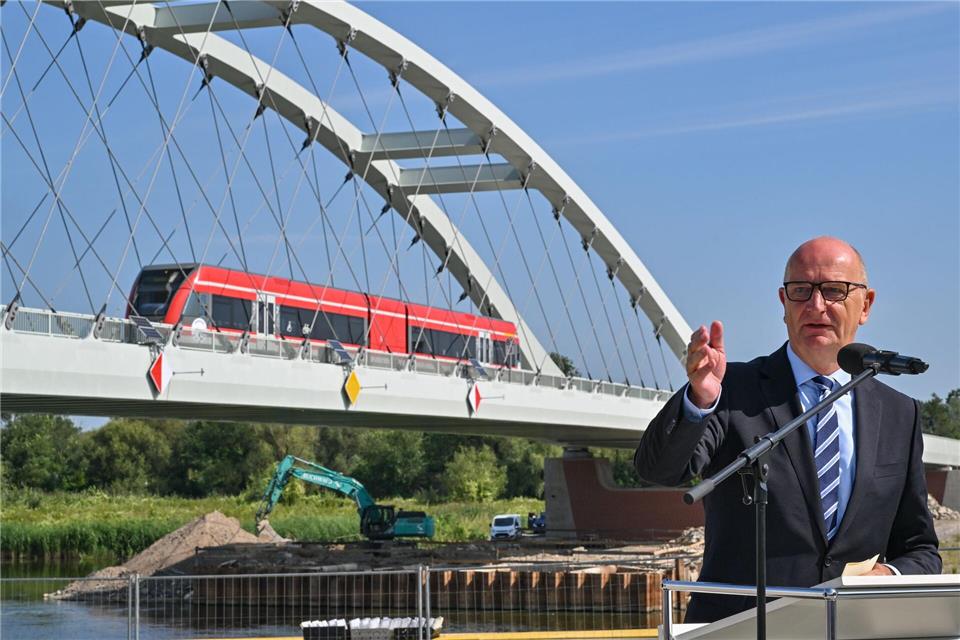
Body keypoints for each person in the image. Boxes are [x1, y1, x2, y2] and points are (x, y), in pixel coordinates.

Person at [634, 236, 941, 623]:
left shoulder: (900, 414)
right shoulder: (732, 390)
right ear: (783, 303)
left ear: (866, 304)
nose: (816, 306)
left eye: (834, 290)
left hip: (852, 628)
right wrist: (699, 399)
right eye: (801, 291)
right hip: (740, 629)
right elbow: (658, 469)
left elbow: (919, 548)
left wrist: (888, 576)